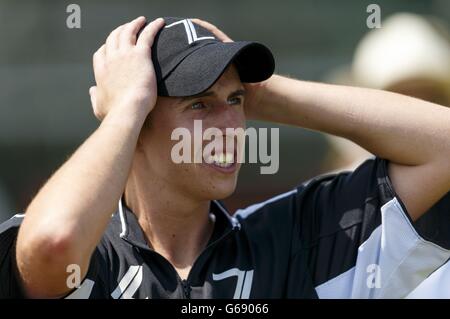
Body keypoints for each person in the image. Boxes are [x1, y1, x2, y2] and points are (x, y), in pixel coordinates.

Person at [1, 16, 449, 299]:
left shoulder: (292, 239)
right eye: (198, 104)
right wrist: (124, 110)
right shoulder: (94, 260)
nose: (231, 128)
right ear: (138, 125)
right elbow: (52, 243)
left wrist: (267, 93)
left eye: (234, 102)